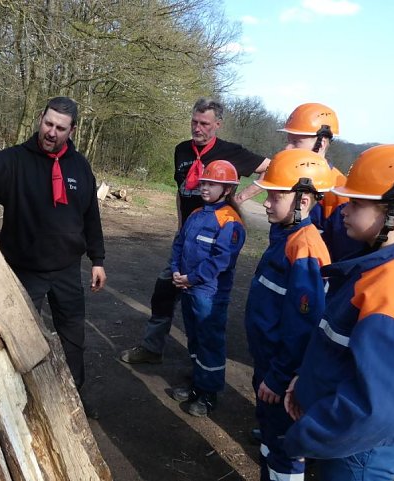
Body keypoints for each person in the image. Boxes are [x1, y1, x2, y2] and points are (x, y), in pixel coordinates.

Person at [283, 144, 394, 480]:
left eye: (357, 203)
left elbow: (375, 408)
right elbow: (348, 355)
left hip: (360, 453)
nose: (344, 211)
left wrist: (307, 436)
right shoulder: (392, 268)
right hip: (354, 442)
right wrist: (305, 381)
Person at [0, 96, 106, 390]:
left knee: (73, 338)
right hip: (24, 269)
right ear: (41, 118)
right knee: (19, 337)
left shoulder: (80, 167)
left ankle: (76, 394)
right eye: (48, 123)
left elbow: (91, 216)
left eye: (60, 128)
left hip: (66, 270)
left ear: (72, 130)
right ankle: (21, 396)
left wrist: (97, 260)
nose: (51, 132)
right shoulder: (15, 160)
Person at [120, 97, 269, 364]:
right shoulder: (181, 150)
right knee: (165, 290)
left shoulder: (231, 152)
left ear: (217, 125)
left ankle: (203, 368)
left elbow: (273, 169)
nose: (197, 128)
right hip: (187, 238)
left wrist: (244, 196)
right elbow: (180, 192)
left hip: (213, 243)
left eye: (204, 123)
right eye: (194, 121)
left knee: (203, 306)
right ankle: (152, 348)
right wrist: (180, 227)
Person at [243, 149, 334, 480]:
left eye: (275, 196)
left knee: (284, 451)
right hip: (268, 362)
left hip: (279, 372)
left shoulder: (305, 248)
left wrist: (279, 376)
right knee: (270, 440)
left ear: (303, 202)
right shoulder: (284, 235)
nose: (266, 202)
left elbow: (303, 326)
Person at [167, 160, 247, 416]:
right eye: (204, 182)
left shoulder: (230, 222)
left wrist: (191, 278)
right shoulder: (195, 214)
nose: (205, 187)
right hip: (189, 288)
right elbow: (179, 243)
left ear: (227, 190)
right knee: (195, 339)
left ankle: (208, 393)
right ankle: (196, 384)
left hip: (209, 295)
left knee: (210, 343)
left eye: (212, 184)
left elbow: (221, 260)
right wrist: (176, 270)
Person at [279, 102, 366, 260]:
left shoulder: (338, 191)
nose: (287, 148)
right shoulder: (288, 178)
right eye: (288, 140)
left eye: (296, 142)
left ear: (322, 143)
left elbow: (343, 254)